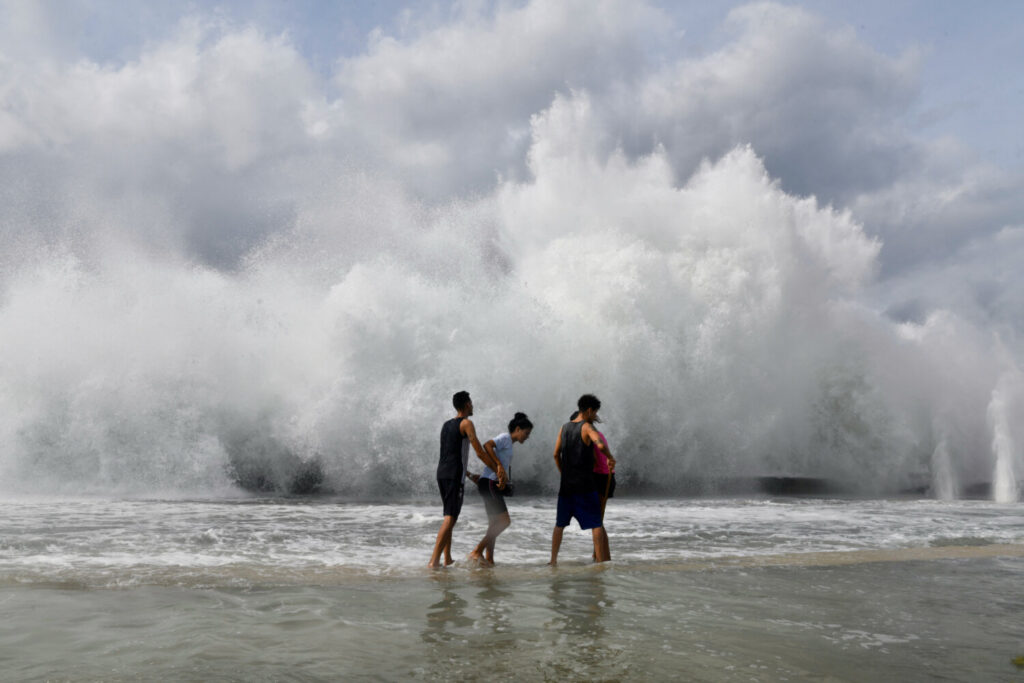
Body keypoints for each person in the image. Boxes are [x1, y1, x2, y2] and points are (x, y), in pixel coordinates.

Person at [549, 394, 616, 565]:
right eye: (595, 413)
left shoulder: (563, 428)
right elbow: (600, 444)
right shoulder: (587, 427)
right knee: (596, 524)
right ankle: (600, 563)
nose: (595, 417)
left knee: (560, 525)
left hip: (566, 486)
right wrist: (609, 456)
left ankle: (553, 561)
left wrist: (563, 473)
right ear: (589, 410)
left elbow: (556, 454)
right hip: (585, 486)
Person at [428, 391, 487, 569]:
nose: (473, 405)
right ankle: (434, 561)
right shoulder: (467, 423)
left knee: (449, 516)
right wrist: (496, 467)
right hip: (454, 476)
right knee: (450, 517)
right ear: (467, 404)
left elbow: (450, 455)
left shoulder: (446, 425)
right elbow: (479, 451)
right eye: (471, 402)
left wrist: (468, 474)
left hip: (443, 473)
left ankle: (447, 559)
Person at [468, 412, 533, 566]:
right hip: (490, 483)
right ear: (517, 429)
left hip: (489, 483)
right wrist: (498, 465)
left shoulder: (509, 444)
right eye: (526, 433)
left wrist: (504, 478)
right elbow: (487, 445)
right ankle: (477, 551)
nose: (527, 436)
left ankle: (489, 559)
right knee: (504, 522)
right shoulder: (505, 437)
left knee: (494, 523)